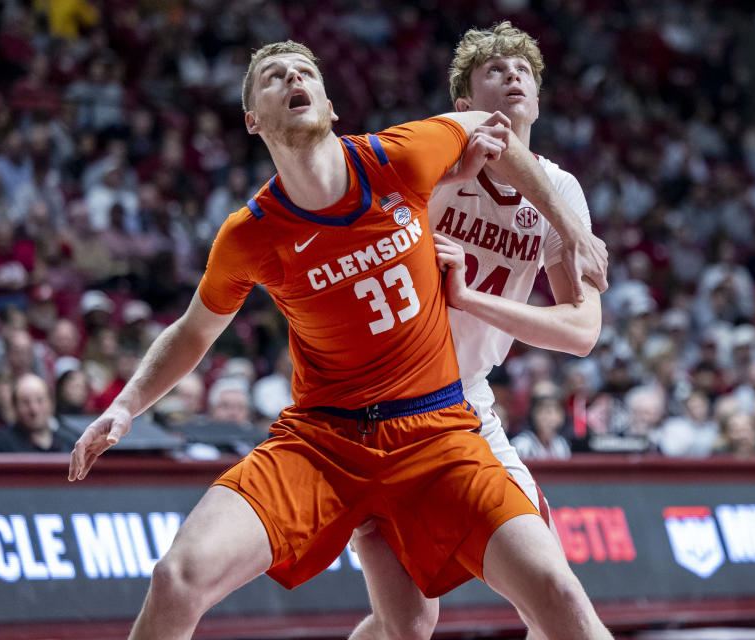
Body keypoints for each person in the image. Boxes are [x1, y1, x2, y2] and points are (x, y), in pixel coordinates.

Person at [68, 40, 610, 639]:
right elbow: (194, 330)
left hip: (437, 428)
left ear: (330, 104)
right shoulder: (249, 234)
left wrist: (569, 228)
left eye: (305, 71)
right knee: (177, 577)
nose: (293, 78)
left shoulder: (398, 157)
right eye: (274, 77)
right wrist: (123, 405)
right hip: (324, 437)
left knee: (534, 598)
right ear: (253, 119)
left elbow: (492, 128)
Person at [348, 23, 604, 640]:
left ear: (539, 99)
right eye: (495, 69)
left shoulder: (561, 191)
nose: (513, 74)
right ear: (460, 106)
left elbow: (580, 333)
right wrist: (569, 229)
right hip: (372, 405)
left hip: (464, 402)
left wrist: (473, 299)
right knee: (406, 625)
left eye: (524, 69)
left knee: (558, 595)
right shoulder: (433, 158)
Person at [0, 373, 72, 452]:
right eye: (25, 402)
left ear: (51, 404)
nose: (34, 409)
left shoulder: (70, 442)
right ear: (14, 407)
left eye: (40, 400)